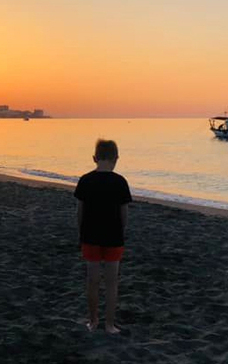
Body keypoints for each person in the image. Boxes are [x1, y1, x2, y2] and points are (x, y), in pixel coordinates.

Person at [74, 139, 132, 334]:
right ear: (116, 159)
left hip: (90, 236)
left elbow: (79, 212)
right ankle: (109, 324)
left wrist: (80, 233)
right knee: (111, 282)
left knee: (92, 280)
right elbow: (124, 214)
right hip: (113, 237)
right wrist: (122, 231)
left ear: (94, 158)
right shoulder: (120, 182)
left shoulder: (85, 180)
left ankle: (93, 321)